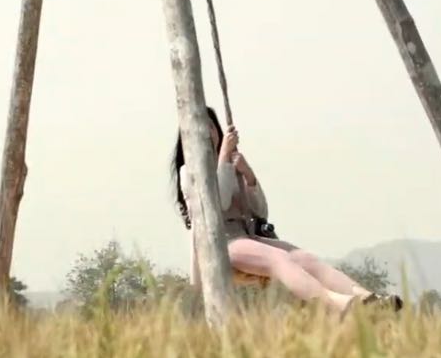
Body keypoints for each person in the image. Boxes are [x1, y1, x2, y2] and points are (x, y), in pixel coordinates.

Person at [171, 107, 401, 314]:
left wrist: (249, 175)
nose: (208, 131)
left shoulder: (231, 163)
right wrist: (224, 158)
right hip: (221, 242)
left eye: (211, 125)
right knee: (279, 259)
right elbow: (218, 203)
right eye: (200, 126)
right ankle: (338, 304)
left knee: (303, 258)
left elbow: (260, 211)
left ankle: (367, 297)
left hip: (246, 237)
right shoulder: (189, 172)